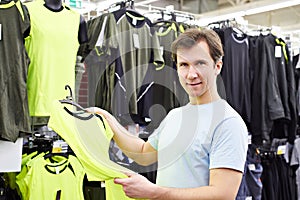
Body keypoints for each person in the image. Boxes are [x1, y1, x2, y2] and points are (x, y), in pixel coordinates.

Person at [88, 28, 248, 200]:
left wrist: (154, 192)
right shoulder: (175, 116)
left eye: (200, 63)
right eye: (184, 65)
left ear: (217, 66)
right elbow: (143, 153)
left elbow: (222, 195)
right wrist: (107, 119)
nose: (191, 74)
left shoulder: (227, 122)